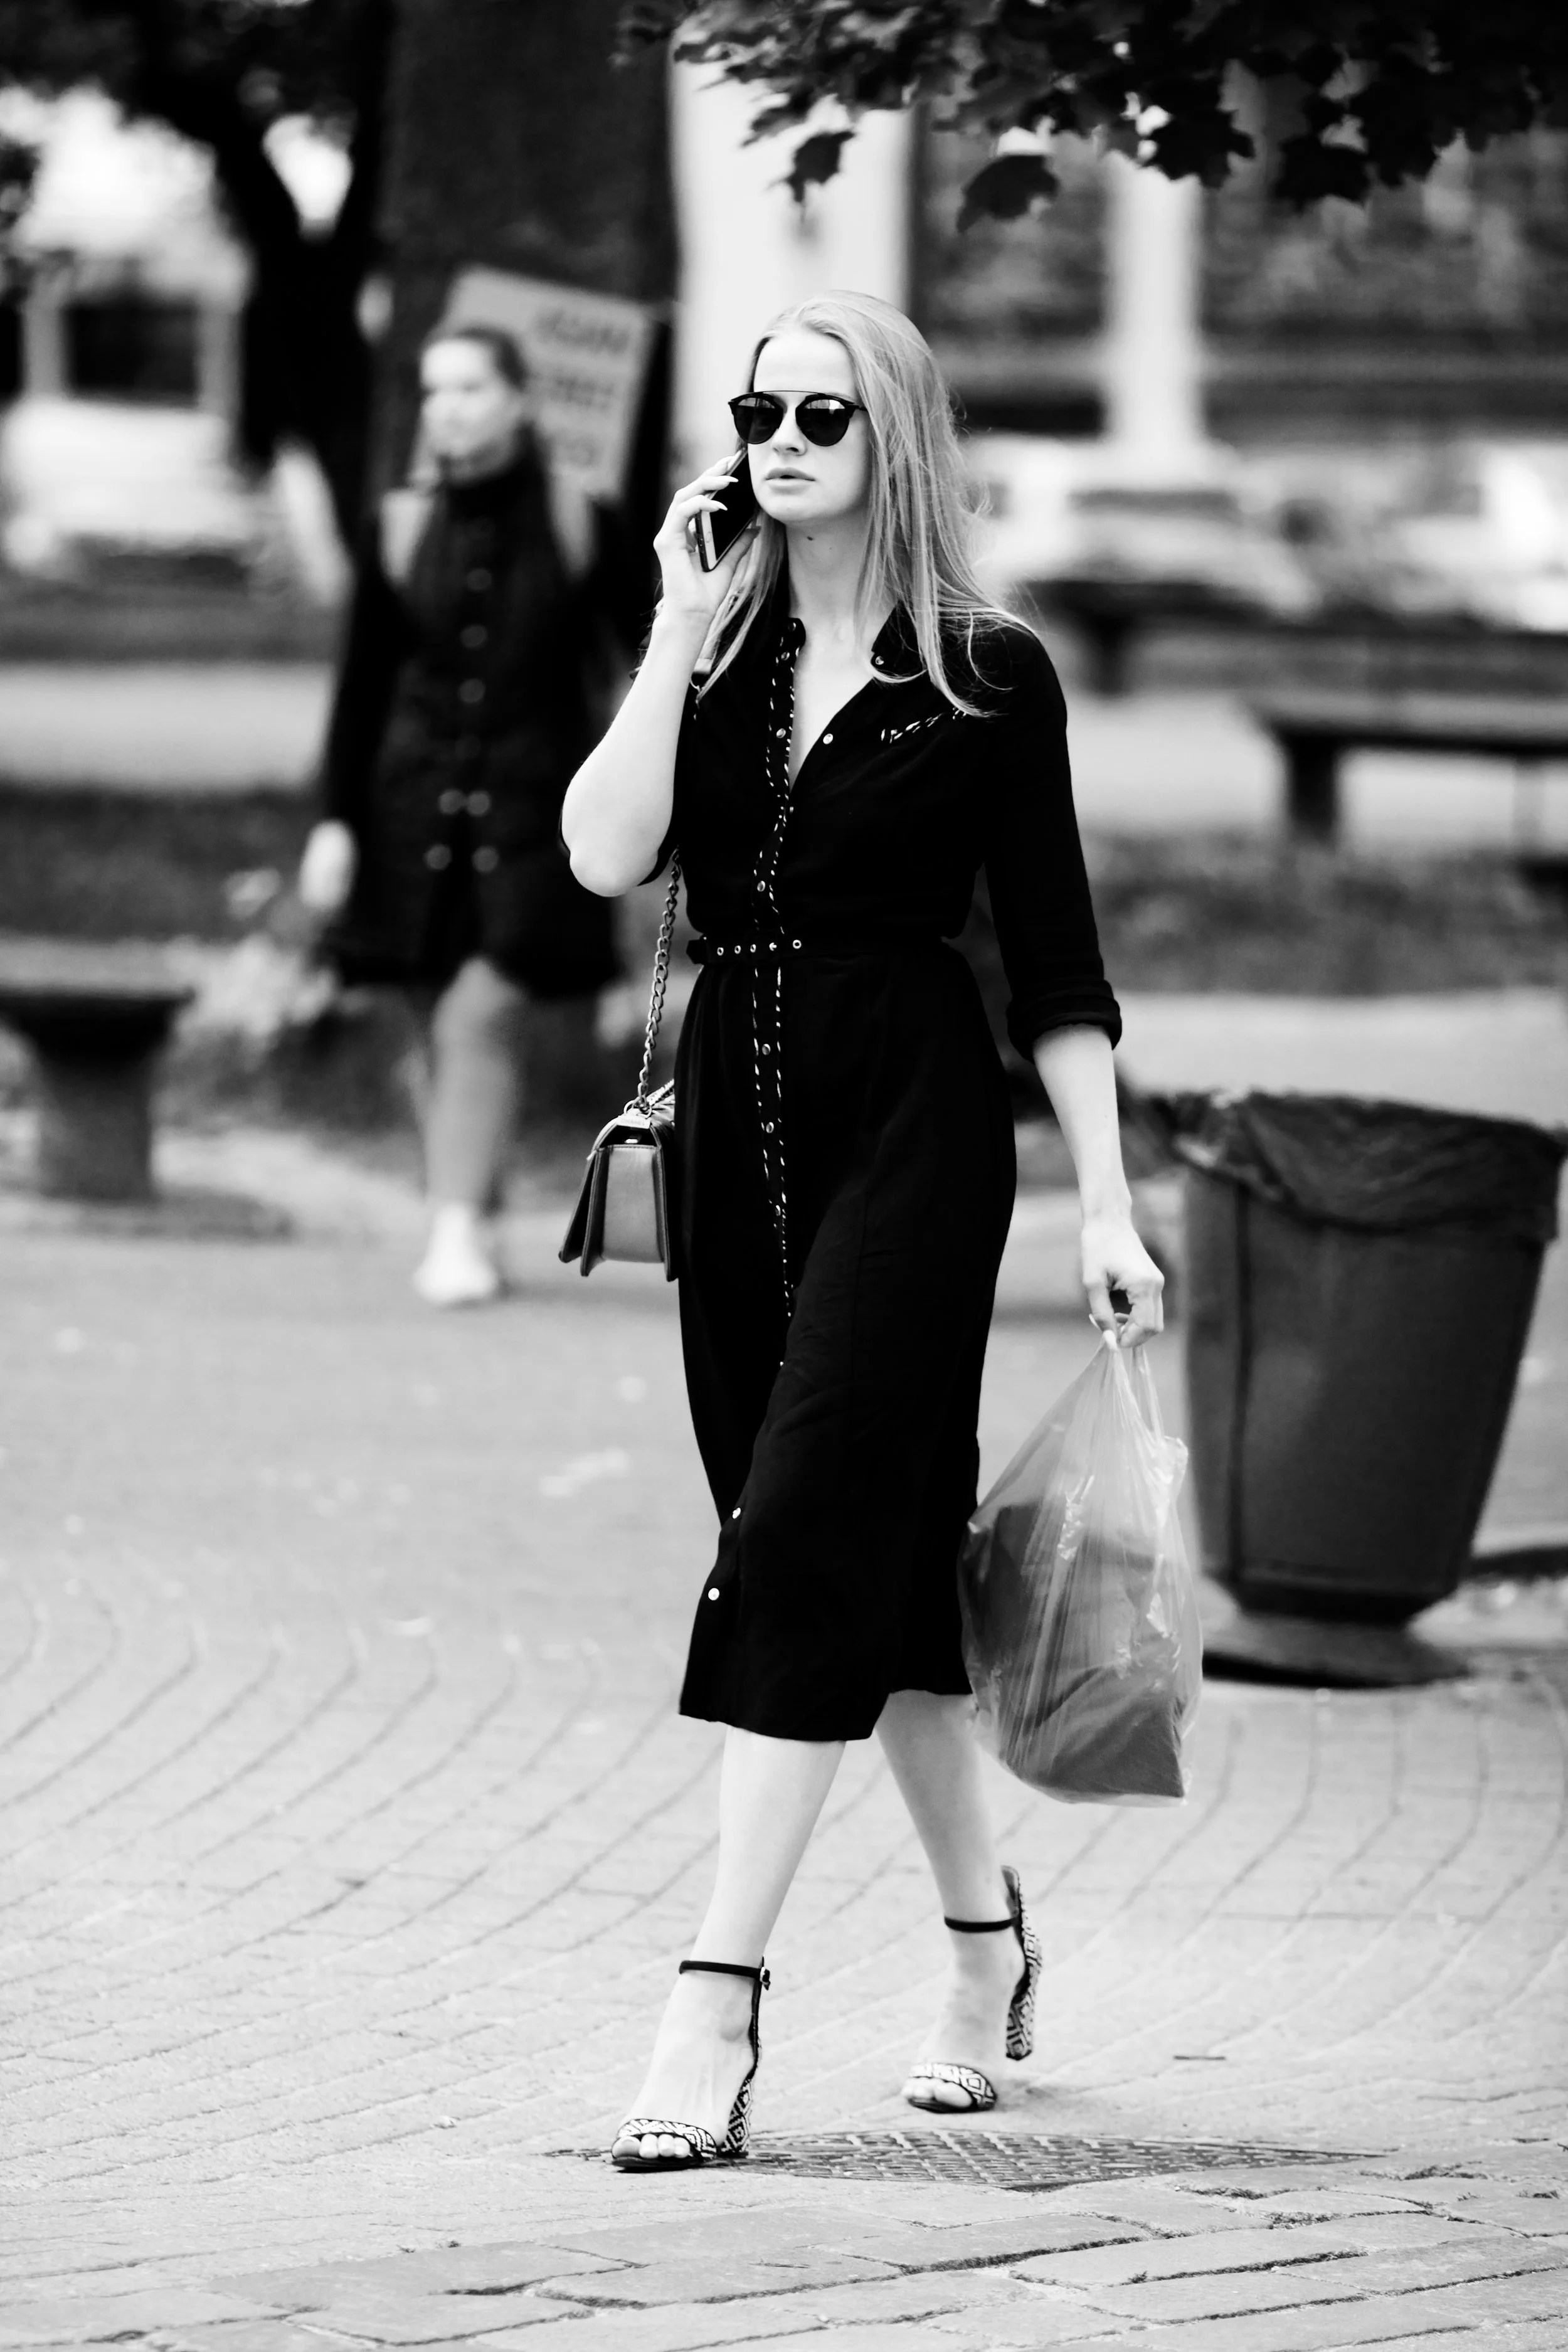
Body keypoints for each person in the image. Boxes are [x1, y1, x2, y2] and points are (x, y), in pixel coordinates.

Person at [561, 290, 1164, 2171]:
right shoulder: (715, 645)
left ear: (892, 432)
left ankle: (711, 1992)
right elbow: (602, 850)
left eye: (824, 408)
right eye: (759, 404)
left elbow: (1057, 969)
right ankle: (985, 1945)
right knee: (871, 1574)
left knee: (799, 1525)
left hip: (914, 1122)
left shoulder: (988, 672)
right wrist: (672, 622)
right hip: (737, 1129)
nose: (783, 433)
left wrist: (1108, 1209)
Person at [299, 323, 623, 1305]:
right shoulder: (395, 526)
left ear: (520, 398)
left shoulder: (582, 522)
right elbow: (358, 692)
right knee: (432, 1016)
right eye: (435, 390)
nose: (448, 407)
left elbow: (645, 669)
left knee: (485, 1005)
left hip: (537, 818)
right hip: (411, 814)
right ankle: (473, 1214)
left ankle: (448, 1233)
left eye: (472, 387)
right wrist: (334, 822)